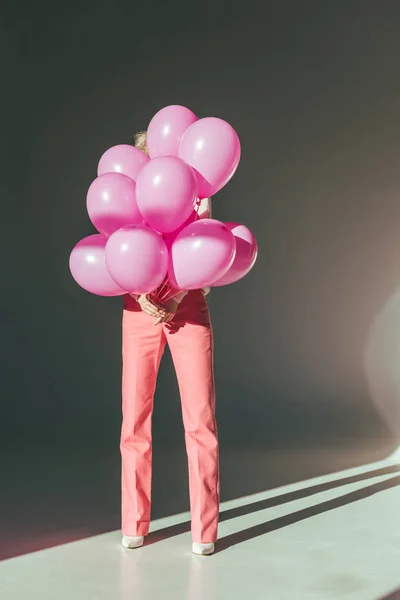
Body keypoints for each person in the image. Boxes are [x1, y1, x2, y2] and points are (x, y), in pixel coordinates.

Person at [120, 131, 219, 556]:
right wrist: (143, 294)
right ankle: (133, 522)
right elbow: (119, 250)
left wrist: (176, 294)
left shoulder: (196, 197)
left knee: (200, 419)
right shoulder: (128, 195)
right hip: (137, 308)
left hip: (188, 303)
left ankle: (205, 530)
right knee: (134, 418)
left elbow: (207, 258)